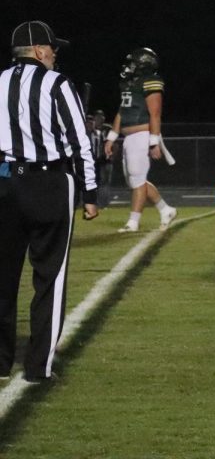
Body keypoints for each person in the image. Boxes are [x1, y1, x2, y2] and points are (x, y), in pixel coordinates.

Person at [1, 21, 99, 382]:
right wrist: (90, 193)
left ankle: (0, 361)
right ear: (39, 50)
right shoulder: (57, 83)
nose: (55, 53)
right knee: (49, 277)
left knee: (2, 278)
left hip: (4, 182)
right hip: (48, 182)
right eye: (52, 48)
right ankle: (38, 367)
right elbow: (79, 141)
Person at [104, 48, 177, 232]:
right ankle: (165, 209)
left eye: (134, 63)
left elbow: (155, 114)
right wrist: (111, 138)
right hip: (129, 137)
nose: (130, 66)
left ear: (144, 64)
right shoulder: (129, 83)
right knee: (135, 181)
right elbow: (122, 111)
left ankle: (133, 222)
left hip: (142, 135)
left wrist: (153, 142)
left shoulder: (151, 81)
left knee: (137, 178)